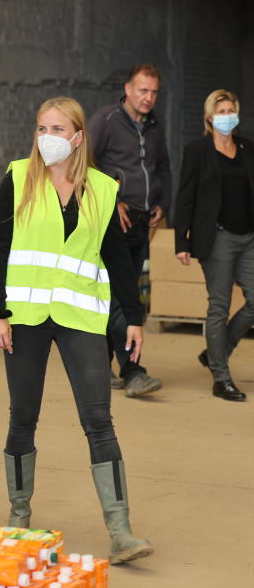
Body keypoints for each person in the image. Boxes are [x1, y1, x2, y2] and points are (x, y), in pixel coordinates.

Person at [0, 97, 154, 565]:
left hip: (81, 318)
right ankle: (19, 517)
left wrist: (134, 317)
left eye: (57, 129)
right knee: (23, 417)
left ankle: (121, 530)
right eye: (41, 128)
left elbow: (118, 257)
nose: (47, 137)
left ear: (78, 137)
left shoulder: (102, 188)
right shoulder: (18, 178)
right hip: (26, 316)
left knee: (99, 419)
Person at [89, 64, 171, 398]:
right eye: (142, 90)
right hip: (113, 223)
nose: (148, 97)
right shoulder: (105, 121)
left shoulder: (154, 127)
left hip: (141, 224)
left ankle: (101, 367)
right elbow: (86, 165)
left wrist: (163, 202)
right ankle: (133, 370)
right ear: (127, 88)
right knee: (122, 300)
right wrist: (113, 203)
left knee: (120, 299)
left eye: (153, 92)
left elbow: (162, 167)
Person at [174, 90, 254, 401]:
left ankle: (215, 353)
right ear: (209, 117)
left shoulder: (247, 147)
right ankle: (221, 378)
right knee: (218, 308)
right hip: (217, 238)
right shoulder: (197, 151)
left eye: (231, 109)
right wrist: (182, 240)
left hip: (248, 237)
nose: (226, 115)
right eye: (220, 111)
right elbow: (185, 196)